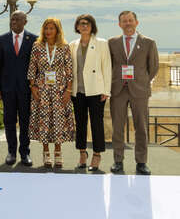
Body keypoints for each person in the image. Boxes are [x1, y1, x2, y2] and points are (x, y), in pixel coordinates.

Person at [108, 11, 159, 175]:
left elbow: (154, 67)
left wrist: (141, 81)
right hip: (118, 90)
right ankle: (118, 161)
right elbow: (108, 66)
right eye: (124, 21)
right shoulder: (112, 43)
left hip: (140, 91)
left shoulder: (149, 43)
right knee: (117, 128)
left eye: (130, 20)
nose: (127, 23)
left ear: (136, 22)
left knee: (141, 128)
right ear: (119, 24)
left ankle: (142, 162)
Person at [27, 17, 74, 168]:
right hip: (41, 89)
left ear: (57, 30)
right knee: (44, 120)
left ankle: (58, 152)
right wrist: (33, 87)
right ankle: (46, 152)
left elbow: (69, 70)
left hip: (60, 89)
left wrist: (68, 90)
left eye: (51, 28)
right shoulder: (37, 46)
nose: (48, 31)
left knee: (59, 120)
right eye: (46, 28)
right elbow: (32, 68)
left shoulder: (64, 47)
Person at [69, 14, 111, 171]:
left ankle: (97, 155)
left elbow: (107, 67)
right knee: (80, 124)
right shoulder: (73, 44)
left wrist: (106, 90)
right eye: (81, 24)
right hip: (78, 91)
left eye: (87, 24)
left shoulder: (101, 43)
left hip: (96, 91)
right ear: (77, 27)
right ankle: (82, 153)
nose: (84, 26)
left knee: (96, 124)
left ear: (92, 26)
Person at [0, 10, 36, 166]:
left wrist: (35, 87)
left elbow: (36, 66)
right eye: (12, 19)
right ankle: (11, 152)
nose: (14, 22)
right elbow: (0, 65)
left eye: (18, 19)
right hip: (8, 88)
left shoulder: (33, 40)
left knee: (25, 121)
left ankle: (25, 153)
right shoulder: (2, 39)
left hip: (26, 89)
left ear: (25, 21)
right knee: (9, 121)